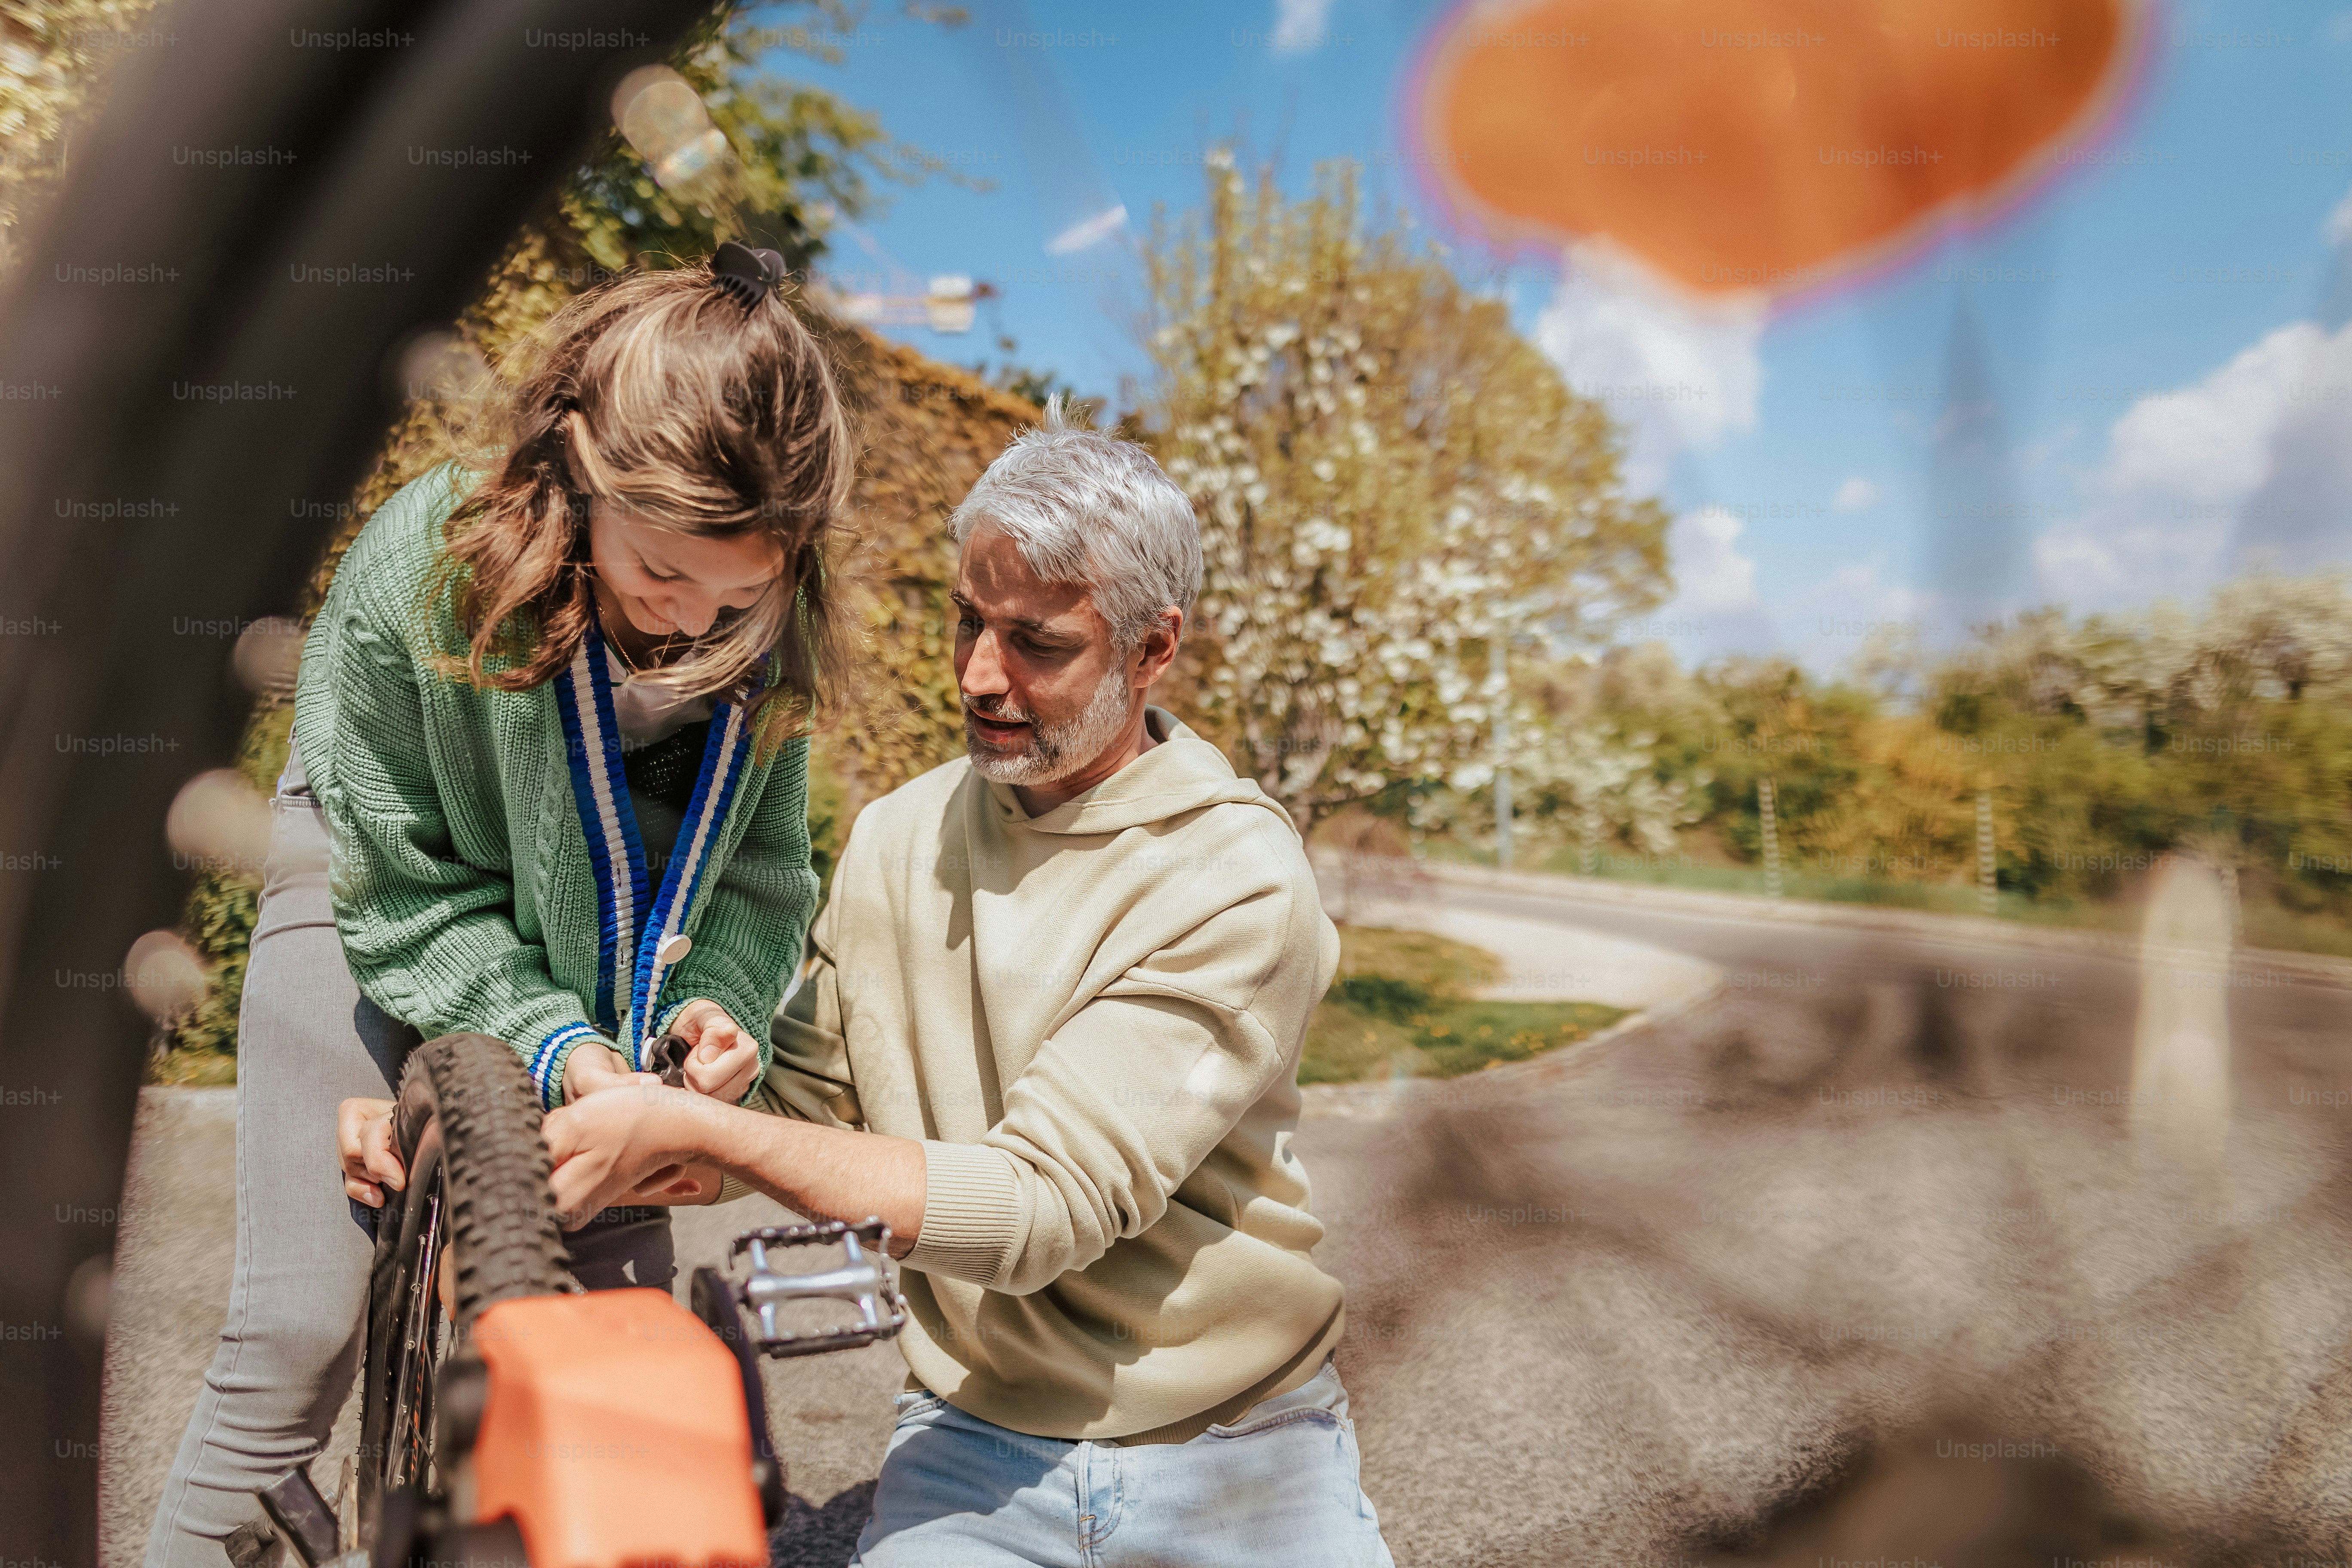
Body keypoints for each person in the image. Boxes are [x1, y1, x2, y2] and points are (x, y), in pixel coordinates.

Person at [507, 399, 1397, 1565]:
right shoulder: (897, 835)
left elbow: (1039, 1211)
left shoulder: (1234, 875)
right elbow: (801, 1112)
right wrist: (578, 1121)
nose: (980, 675)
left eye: (1039, 642)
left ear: (1153, 648)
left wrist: (705, 1133)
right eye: (967, 621)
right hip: (976, 1439)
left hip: (1244, 1457)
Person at [148, 245, 855, 1568]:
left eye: (737, 596)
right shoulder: (421, 567)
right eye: (659, 573)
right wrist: (551, 1051)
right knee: (301, 1325)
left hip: (622, 913)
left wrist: (719, 1014)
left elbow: (761, 871)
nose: (691, 625)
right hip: (388, 854)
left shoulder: (774, 621)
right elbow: (406, 893)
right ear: (576, 471)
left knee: (625, 1359)